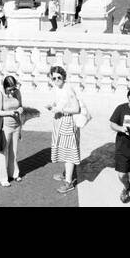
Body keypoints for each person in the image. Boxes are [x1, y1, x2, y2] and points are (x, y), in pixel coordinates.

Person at [47, 65, 82, 193]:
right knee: (63, 150)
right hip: (60, 122)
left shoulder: (68, 89)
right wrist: (52, 106)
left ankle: (68, 182)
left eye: (59, 77)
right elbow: (59, 102)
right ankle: (66, 174)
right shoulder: (57, 88)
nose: (56, 80)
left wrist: (61, 110)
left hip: (68, 122)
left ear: (64, 77)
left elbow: (76, 109)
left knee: (69, 153)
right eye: (53, 78)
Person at [0, 74, 23, 186]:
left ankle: (14, 173)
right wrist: (9, 113)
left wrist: (19, 110)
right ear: (5, 87)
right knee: (3, 151)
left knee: (14, 151)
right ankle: (2, 177)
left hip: (16, 125)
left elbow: (21, 106)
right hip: (5, 126)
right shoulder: (0, 95)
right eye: (10, 89)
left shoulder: (17, 93)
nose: (13, 91)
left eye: (14, 88)